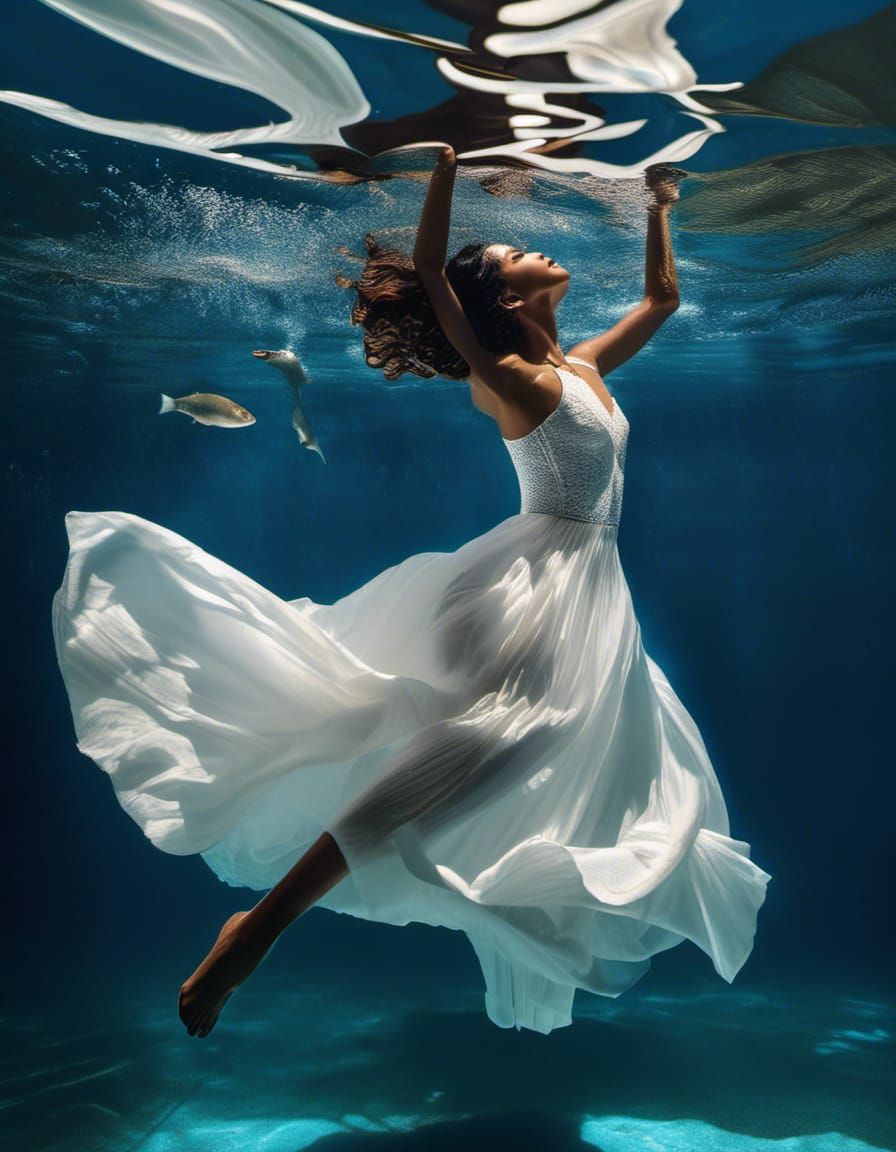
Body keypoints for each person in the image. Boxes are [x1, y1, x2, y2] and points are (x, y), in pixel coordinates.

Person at [52, 148, 770, 1040]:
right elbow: (433, 272)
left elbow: (662, 299)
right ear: (507, 299)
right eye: (515, 251)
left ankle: (269, 922)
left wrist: (661, 204)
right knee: (499, 740)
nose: (532, 247)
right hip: (529, 587)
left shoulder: (581, 370)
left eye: (510, 247)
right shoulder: (513, 380)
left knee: (512, 747)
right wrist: (446, 169)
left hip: (584, 592)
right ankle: (258, 931)